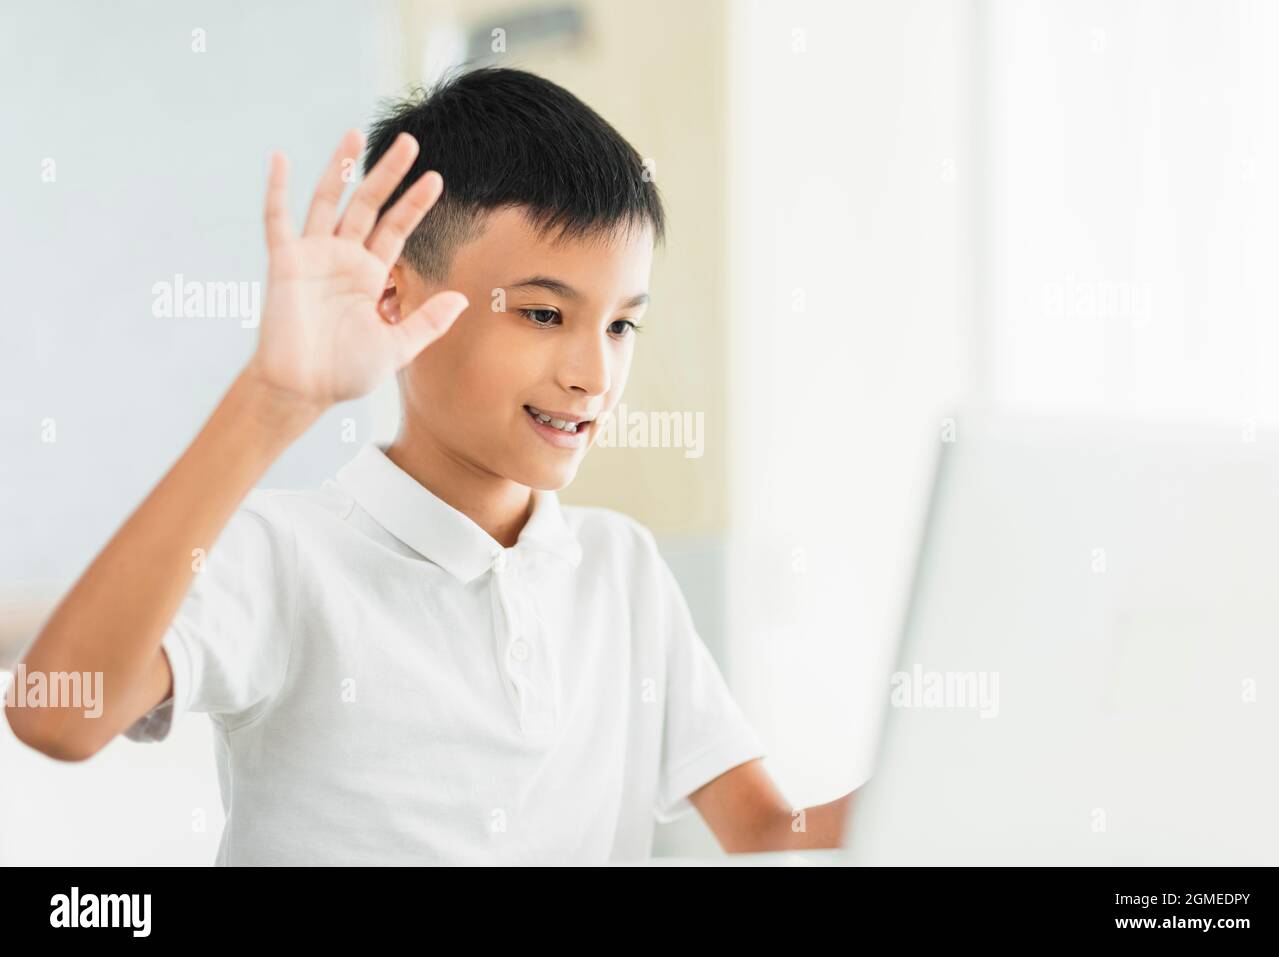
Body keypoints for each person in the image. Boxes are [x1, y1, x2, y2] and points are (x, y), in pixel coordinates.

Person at [6, 67, 858, 864]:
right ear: (394, 298)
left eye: (621, 325)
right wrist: (273, 400)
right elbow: (55, 713)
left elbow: (764, 831)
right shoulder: (284, 555)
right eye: (540, 312)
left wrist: (954, 780)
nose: (592, 373)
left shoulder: (622, 571)